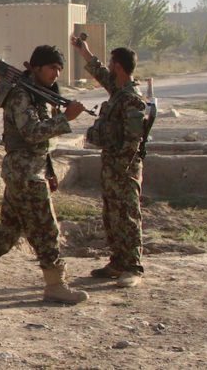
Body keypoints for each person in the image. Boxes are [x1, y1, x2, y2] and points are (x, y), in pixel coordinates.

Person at [0, 45, 89, 304]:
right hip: (25, 174)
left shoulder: (38, 95)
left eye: (59, 69)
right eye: (51, 68)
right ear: (34, 67)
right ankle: (55, 285)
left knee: (9, 229)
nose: (55, 74)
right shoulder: (21, 96)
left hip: (29, 171)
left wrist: (48, 171)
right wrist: (65, 119)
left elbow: (40, 144)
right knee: (47, 230)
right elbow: (31, 133)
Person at [72, 37, 147, 288]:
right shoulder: (119, 92)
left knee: (127, 215)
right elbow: (102, 75)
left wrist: (122, 168)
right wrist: (85, 52)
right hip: (112, 165)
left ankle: (132, 266)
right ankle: (117, 261)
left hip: (123, 168)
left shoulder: (132, 99)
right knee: (111, 215)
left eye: (111, 63)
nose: (109, 67)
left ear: (118, 66)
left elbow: (134, 139)